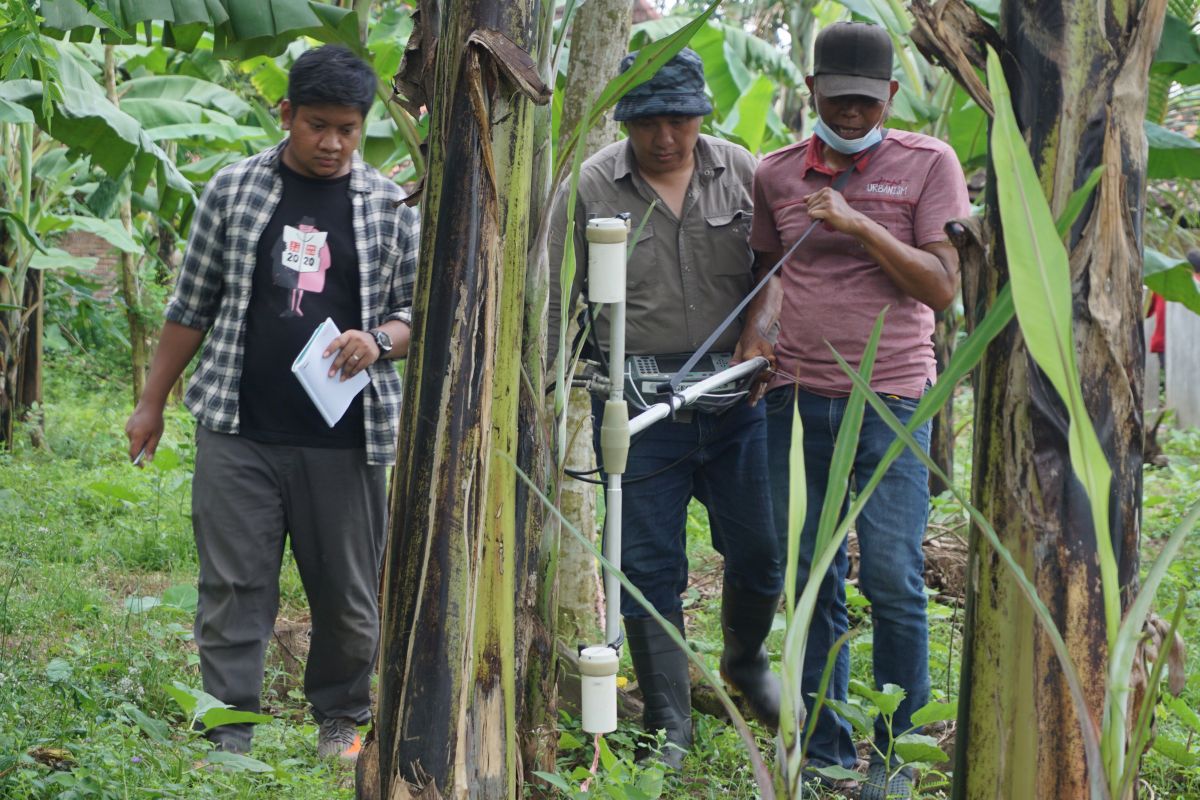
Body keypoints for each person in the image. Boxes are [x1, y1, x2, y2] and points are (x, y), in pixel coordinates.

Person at [124, 44, 418, 761]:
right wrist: (151, 402)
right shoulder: (235, 190)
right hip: (239, 430)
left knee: (348, 598)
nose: (332, 142)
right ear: (285, 113)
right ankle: (229, 734)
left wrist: (378, 339)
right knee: (232, 587)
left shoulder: (387, 203)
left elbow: (419, 313)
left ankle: (340, 721)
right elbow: (190, 306)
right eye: (317, 125)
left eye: (348, 128)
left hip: (346, 441)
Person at [736, 22, 970, 800]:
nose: (851, 116)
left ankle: (899, 758)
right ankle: (830, 750)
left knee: (896, 579)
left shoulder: (927, 163)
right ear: (811, 93)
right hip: (797, 403)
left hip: (894, 397)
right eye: (837, 101)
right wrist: (755, 347)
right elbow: (769, 277)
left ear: (891, 99)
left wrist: (858, 223)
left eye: (866, 104)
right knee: (812, 580)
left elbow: (942, 286)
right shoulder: (775, 175)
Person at [548, 48, 784, 769]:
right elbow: (555, 296)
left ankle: (745, 662)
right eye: (649, 121)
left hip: (736, 398)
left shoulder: (743, 171)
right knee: (648, 567)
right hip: (636, 407)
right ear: (627, 120)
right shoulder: (591, 186)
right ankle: (669, 721)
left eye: (679, 120)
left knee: (761, 552)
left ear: (700, 117)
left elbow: (778, 270)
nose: (665, 138)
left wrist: (762, 328)